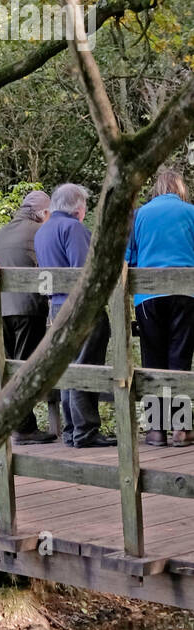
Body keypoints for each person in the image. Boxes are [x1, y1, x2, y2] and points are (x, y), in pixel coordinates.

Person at [33, 182, 115, 448]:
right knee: (85, 365)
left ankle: (71, 429)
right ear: (78, 208)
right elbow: (83, 271)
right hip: (79, 306)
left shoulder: (42, 231)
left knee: (67, 367)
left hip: (56, 306)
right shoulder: (73, 228)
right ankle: (85, 430)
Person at [126, 169, 194, 447]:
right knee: (179, 358)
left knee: (152, 358)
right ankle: (180, 429)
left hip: (148, 295)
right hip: (185, 292)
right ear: (179, 188)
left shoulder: (141, 215)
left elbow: (130, 256)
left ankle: (155, 430)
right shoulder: (191, 212)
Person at [0, 190, 56, 443]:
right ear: (43, 213)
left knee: (11, 366)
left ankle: (16, 424)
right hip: (28, 307)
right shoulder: (38, 231)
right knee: (26, 367)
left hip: (3, 308)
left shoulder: (4, 231)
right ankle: (24, 428)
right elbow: (44, 268)